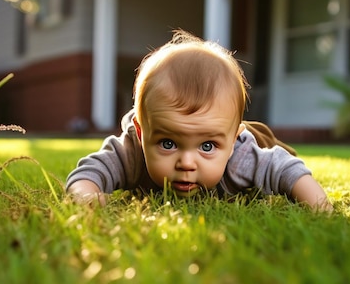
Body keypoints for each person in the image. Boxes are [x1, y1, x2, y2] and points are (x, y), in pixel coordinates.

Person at [66, 30, 332, 212]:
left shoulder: (242, 156)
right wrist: (87, 195)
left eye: (206, 147)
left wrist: (320, 207)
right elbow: (87, 173)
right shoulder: (131, 153)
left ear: (230, 144)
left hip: (256, 137)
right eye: (168, 143)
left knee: (275, 149)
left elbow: (287, 170)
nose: (186, 163)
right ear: (141, 131)